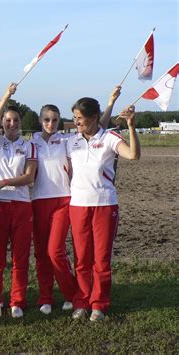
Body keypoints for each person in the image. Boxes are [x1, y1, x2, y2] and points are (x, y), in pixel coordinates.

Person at [31, 87, 121, 315]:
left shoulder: (67, 140)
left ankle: (77, 295)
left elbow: (97, 124)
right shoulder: (31, 141)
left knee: (56, 252)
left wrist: (111, 101)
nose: (50, 123)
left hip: (69, 201)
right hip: (41, 201)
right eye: (46, 120)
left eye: (54, 119)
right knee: (47, 254)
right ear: (40, 121)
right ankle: (52, 297)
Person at [68, 98, 140, 321]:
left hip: (104, 205)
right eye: (74, 118)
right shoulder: (71, 141)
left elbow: (133, 155)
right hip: (78, 205)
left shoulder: (109, 138)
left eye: (80, 118)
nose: (76, 122)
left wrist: (131, 125)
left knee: (101, 259)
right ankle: (81, 301)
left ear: (94, 118)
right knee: (81, 259)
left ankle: (98, 304)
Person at [0, 83, 37, 318]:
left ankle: (18, 300)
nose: (12, 124)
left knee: (20, 257)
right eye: (8, 120)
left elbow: (29, 177)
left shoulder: (29, 146)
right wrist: (6, 95)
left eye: (16, 120)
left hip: (21, 206)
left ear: (21, 123)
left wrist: (5, 182)